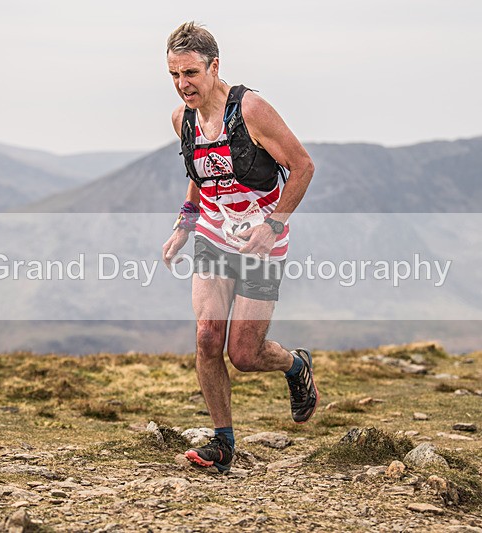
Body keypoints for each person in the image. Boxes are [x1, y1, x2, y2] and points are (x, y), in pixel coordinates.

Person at [161, 22, 317, 474]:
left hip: (261, 241)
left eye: (190, 73)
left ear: (214, 66)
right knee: (208, 336)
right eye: (173, 75)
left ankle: (294, 365)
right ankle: (222, 444)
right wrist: (184, 226)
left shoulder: (251, 109)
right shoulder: (181, 119)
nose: (182, 84)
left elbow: (303, 166)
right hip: (212, 235)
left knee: (245, 354)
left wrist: (273, 225)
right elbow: (199, 173)